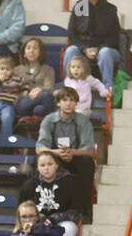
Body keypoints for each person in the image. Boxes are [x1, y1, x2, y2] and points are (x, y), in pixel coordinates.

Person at [37, 87, 95, 220]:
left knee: (87, 163)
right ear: (58, 103)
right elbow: (40, 147)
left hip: (75, 156)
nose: (68, 104)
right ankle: (41, 207)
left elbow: (88, 149)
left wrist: (71, 152)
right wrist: (55, 153)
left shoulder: (83, 121)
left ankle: (83, 210)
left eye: (72, 100)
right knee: (40, 162)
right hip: (54, 157)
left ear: (76, 103)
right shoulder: (49, 120)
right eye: (64, 100)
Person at [63, 0, 121, 86]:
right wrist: (84, 49)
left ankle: (107, 91)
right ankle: (68, 88)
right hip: (83, 47)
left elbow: (114, 37)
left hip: (104, 48)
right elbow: (71, 34)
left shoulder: (110, 9)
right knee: (71, 51)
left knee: (105, 53)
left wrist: (98, 49)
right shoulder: (79, 7)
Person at [20, 149, 79, 236]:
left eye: (50, 164)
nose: (46, 168)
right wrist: (39, 220)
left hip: (61, 223)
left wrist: (54, 219)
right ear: (37, 168)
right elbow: (22, 210)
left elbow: (75, 211)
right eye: (42, 165)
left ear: (56, 165)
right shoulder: (29, 185)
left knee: (67, 234)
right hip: (37, 223)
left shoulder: (70, 182)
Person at [12, 37, 55, 122]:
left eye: (35, 48)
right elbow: (13, 89)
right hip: (23, 102)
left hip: (42, 103)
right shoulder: (16, 70)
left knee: (39, 110)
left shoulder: (48, 69)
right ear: (24, 53)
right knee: (45, 96)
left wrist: (40, 89)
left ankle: (33, 128)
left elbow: (50, 89)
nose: (31, 51)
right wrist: (29, 91)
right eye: (28, 48)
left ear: (40, 52)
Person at [0, 52, 23, 135]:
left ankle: (5, 137)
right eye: (2, 69)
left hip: (9, 104)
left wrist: (25, 91)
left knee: (7, 116)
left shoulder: (16, 79)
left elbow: (24, 86)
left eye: (7, 69)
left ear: (12, 70)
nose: (4, 72)